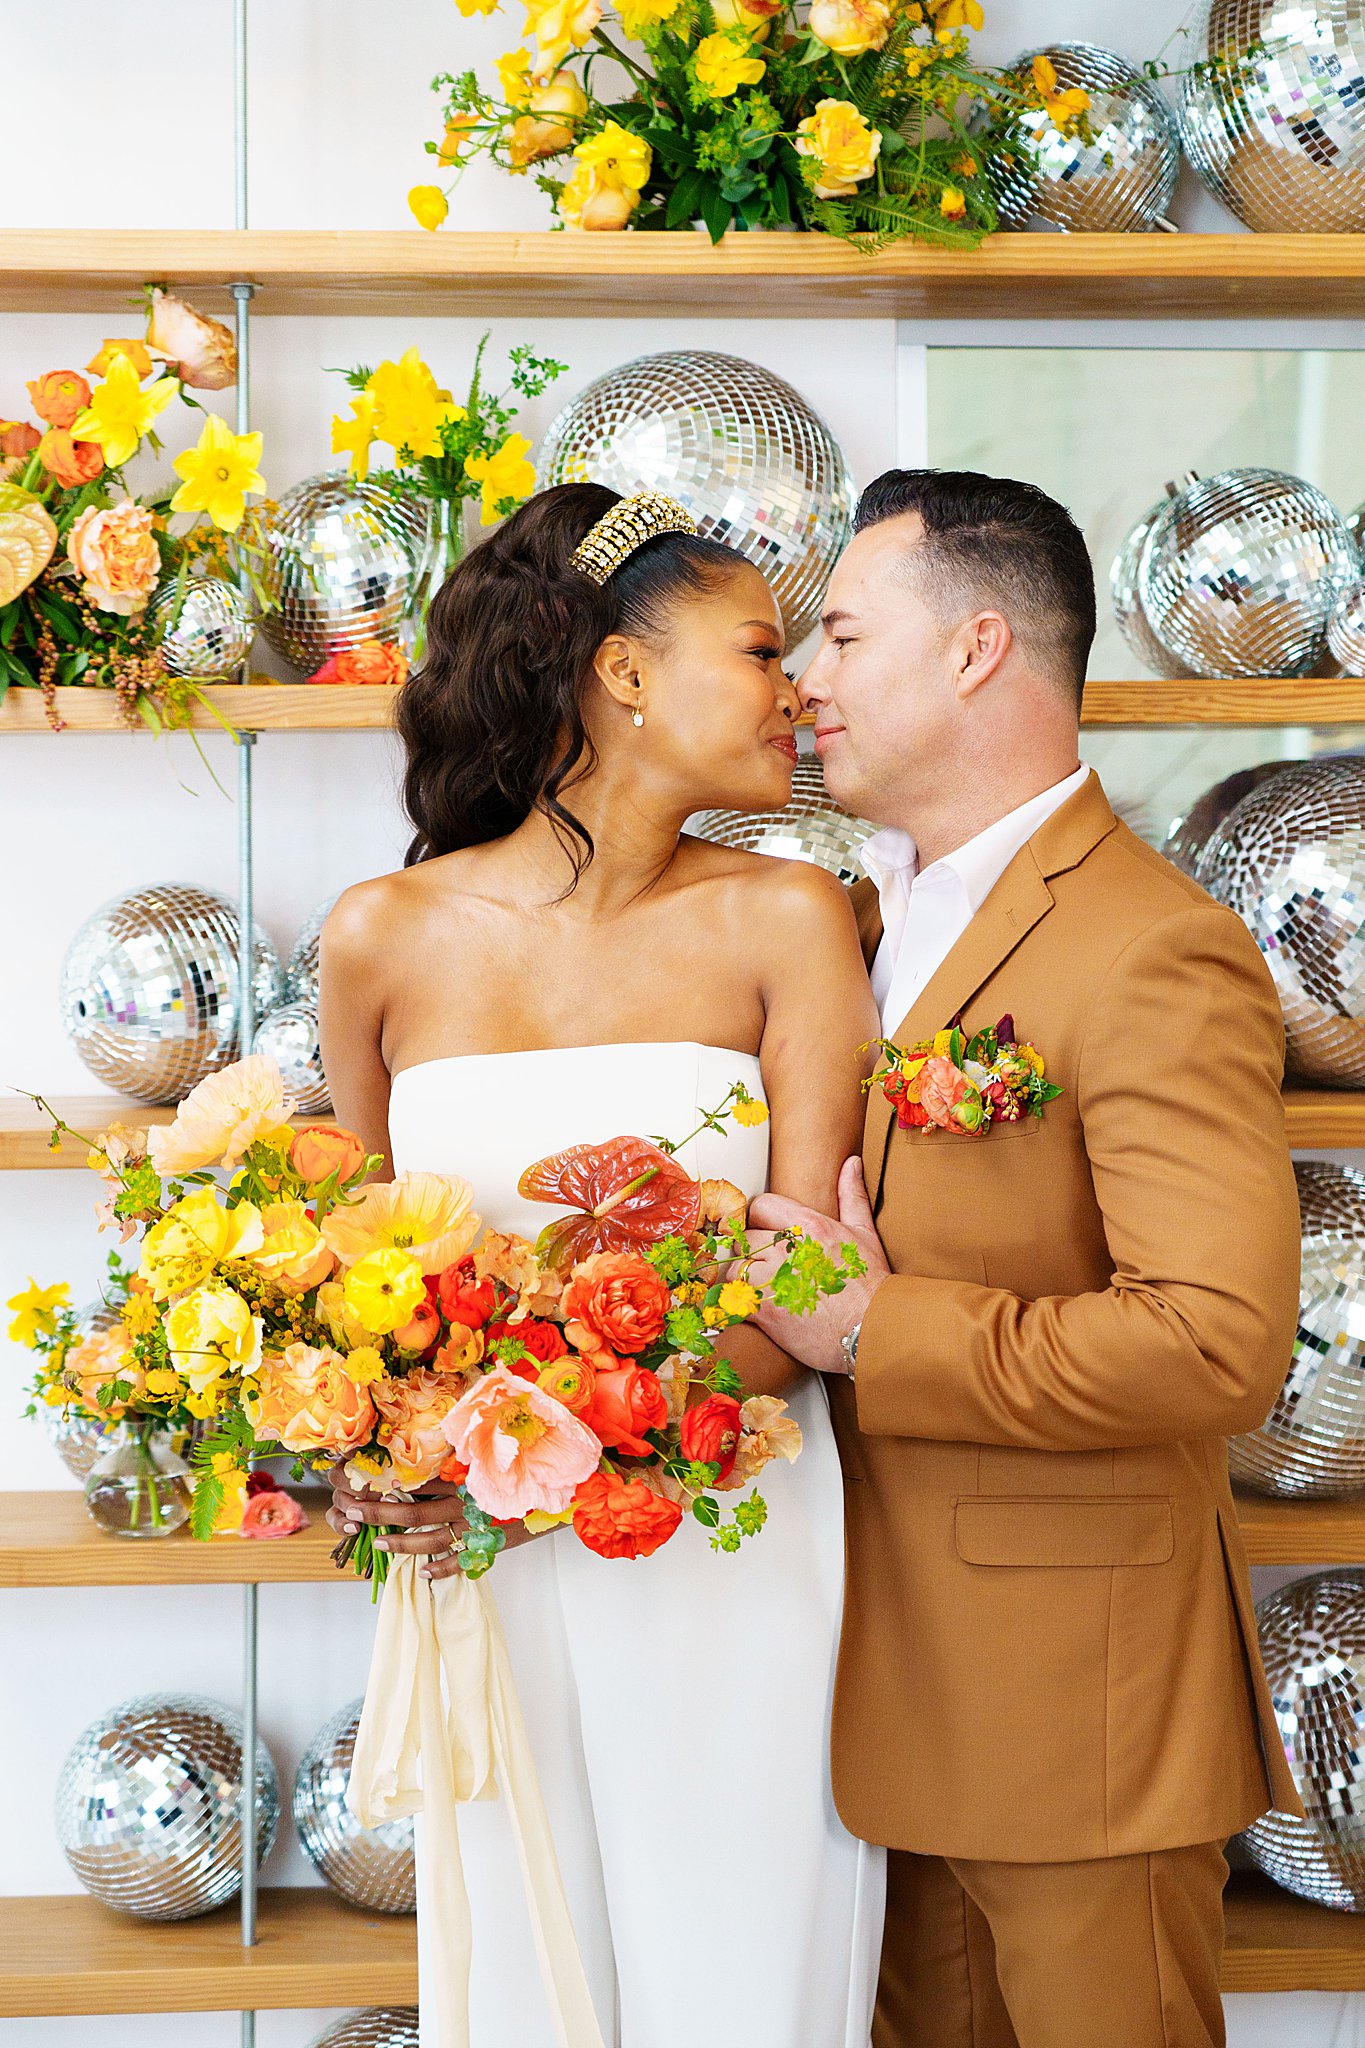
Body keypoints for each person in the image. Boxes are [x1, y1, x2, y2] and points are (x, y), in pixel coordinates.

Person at [320, 483, 886, 2048]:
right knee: (521, 1977)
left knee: (739, 1979)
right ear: (623, 672)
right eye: (760, 650)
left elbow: (805, 1288)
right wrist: (372, 1451)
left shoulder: (789, 918)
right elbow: (361, 1284)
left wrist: (547, 1452)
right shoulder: (379, 936)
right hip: (484, 1568)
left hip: (724, 1544)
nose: (797, 691)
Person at [747, 468, 1304, 2048]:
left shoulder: (1150, 945)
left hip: (1075, 1714)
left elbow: (1213, 1342)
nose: (805, 681)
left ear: (975, 647)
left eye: (843, 635)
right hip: (872, 1702)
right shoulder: (854, 925)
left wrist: (876, 1331)